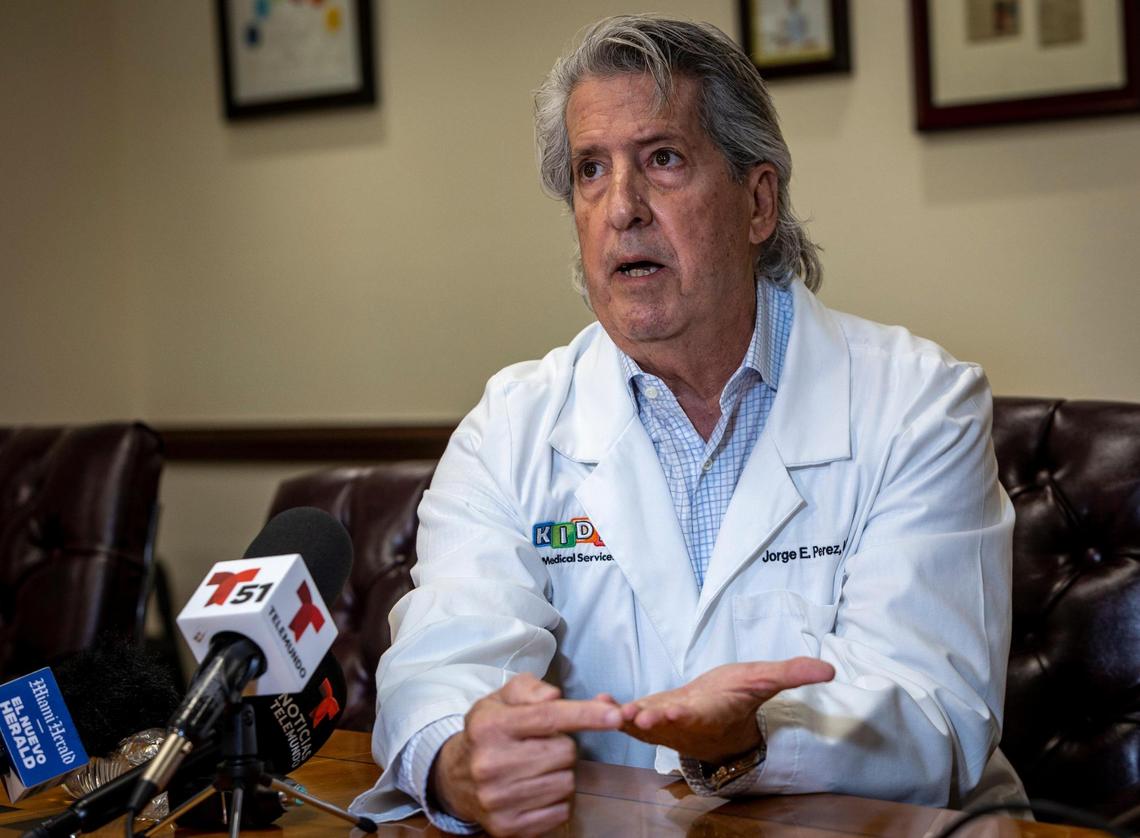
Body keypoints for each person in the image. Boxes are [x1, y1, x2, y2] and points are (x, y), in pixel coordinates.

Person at [349, 14, 1023, 836]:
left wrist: (745, 739)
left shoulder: (919, 404)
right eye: (591, 171)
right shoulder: (511, 426)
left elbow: (935, 715)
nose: (622, 208)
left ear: (758, 202)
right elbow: (443, 657)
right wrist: (458, 760)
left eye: (662, 159)